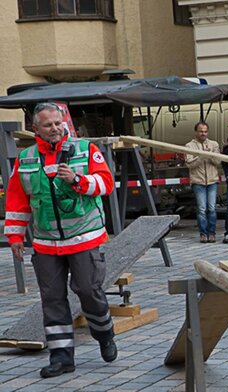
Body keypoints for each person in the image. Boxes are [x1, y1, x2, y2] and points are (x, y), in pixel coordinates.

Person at [4, 102, 117, 378]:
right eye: (48, 125)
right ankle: (62, 357)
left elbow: (106, 184)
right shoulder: (27, 158)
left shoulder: (85, 150)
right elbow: (18, 198)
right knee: (52, 299)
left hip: (84, 237)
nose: (54, 129)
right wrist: (15, 235)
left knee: (89, 292)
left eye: (58, 123)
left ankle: (104, 334)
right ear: (36, 128)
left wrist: (78, 179)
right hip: (46, 243)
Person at [185, 122, 222, 243]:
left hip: (212, 181)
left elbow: (218, 162)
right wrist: (201, 156)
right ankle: (203, 233)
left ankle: (212, 233)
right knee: (201, 209)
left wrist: (210, 155)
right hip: (198, 181)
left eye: (205, 131)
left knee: (212, 208)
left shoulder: (214, 144)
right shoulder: (189, 146)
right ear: (196, 132)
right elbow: (190, 164)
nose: (203, 133)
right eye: (201, 131)